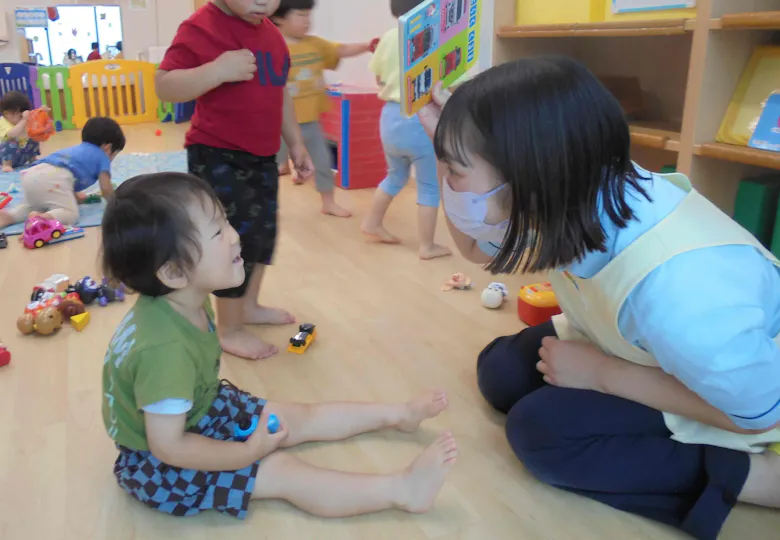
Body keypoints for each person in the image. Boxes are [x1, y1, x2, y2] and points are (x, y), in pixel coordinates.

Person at [417, 57, 780, 540]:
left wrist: (603, 376)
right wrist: (447, 154)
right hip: (636, 341)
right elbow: (474, 247)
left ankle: (756, 480)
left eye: (456, 172)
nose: (449, 182)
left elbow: (758, 413)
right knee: (501, 371)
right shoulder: (573, 186)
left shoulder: (683, 294)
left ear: (528, 181)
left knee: (540, 434)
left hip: (741, 398)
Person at [100, 172, 458, 519]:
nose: (234, 236)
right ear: (174, 273)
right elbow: (169, 446)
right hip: (161, 464)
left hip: (200, 409)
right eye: (217, 231)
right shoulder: (163, 350)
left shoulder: (181, 298)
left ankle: (399, 416)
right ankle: (403, 490)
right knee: (284, 472)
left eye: (225, 221)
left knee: (295, 417)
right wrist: (246, 454)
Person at [155, 0, 315, 361]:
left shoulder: (272, 35)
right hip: (216, 154)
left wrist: (297, 143)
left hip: (261, 156)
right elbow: (165, 86)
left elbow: (280, 93)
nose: (264, 2)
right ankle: (229, 328)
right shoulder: (201, 27)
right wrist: (215, 70)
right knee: (231, 241)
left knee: (261, 236)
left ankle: (248, 307)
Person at [360, 0, 451, 260]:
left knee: (394, 176)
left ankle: (372, 222)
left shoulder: (388, 38)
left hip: (389, 117)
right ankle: (427, 246)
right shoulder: (432, 36)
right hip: (419, 118)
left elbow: (379, 79)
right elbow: (443, 84)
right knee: (429, 186)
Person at [272, 0, 375, 218]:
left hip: (310, 122)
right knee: (268, 166)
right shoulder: (271, 46)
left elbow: (341, 50)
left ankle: (328, 202)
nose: (307, 21)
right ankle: (267, 202)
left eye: (309, 15)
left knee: (323, 161)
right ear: (279, 18)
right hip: (278, 124)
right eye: (301, 15)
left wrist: (367, 46)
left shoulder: (315, 45)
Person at [0, 116, 123, 229]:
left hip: (31, 175)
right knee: (70, 214)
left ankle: (10, 216)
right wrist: (117, 204)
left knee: (33, 205)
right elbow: (106, 188)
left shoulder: (77, 149)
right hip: (52, 180)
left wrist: (73, 195)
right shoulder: (102, 156)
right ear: (108, 148)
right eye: (114, 155)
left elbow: (68, 169)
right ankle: (41, 219)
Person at [0, 91, 40, 172]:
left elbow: (33, 131)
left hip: (20, 156)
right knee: (11, 142)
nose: (18, 116)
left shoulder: (23, 121)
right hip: (4, 156)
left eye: (20, 113)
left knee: (34, 139)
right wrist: (24, 120)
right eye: (13, 113)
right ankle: (6, 165)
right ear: (5, 113)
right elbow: (12, 134)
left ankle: (33, 159)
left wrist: (41, 112)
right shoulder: (3, 121)